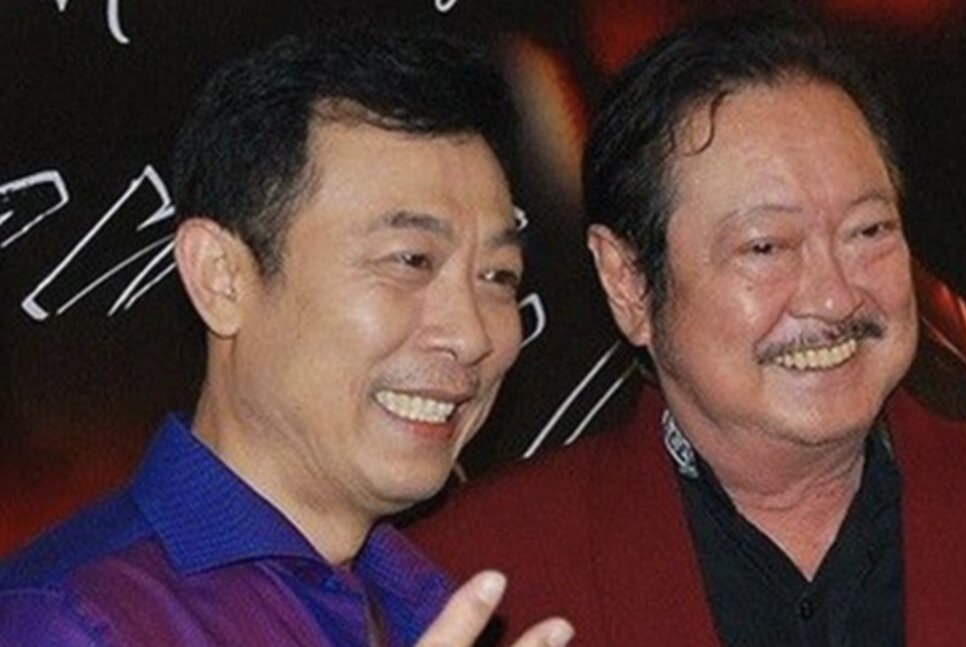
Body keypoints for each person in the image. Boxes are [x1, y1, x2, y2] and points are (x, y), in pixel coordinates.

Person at [406, 12, 966, 646]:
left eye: (868, 231)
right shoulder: (470, 574)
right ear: (628, 281)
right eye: (766, 247)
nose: (834, 296)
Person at [0, 27, 572, 647]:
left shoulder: (421, 600)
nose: (471, 335)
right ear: (222, 277)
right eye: (411, 260)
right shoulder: (73, 622)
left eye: (498, 276)